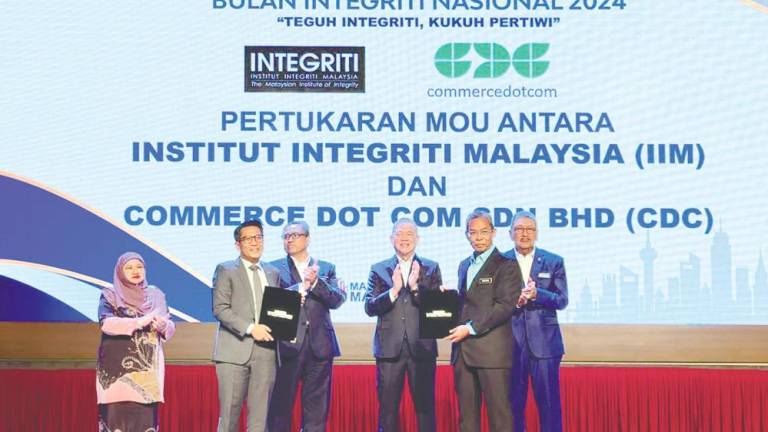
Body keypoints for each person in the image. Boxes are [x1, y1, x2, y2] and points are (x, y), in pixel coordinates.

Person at [364, 218, 443, 432]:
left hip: (422, 347)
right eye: (400, 233)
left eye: (409, 233)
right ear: (391, 239)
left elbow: (436, 310)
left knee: (426, 409)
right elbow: (369, 307)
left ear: (417, 239)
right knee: (388, 411)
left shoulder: (431, 267)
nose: (404, 238)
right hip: (389, 350)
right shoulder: (379, 269)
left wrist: (416, 287)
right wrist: (394, 290)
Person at [267, 221, 347, 432]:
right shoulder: (273, 268)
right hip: (286, 346)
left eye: (295, 235)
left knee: (317, 412)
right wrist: (301, 288)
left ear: (308, 238)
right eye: (286, 236)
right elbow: (272, 302)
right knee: (280, 410)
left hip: (320, 347)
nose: (290, 239)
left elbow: (337, 299)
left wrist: (316, 283)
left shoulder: (327, 268)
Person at [446, 210, 522, 432]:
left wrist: (470, 329)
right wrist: (447, 299)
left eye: (483, 232)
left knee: (499, 417)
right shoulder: (464, 265)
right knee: (467, 420)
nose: (478, 237)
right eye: (473, 232)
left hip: (492, 353)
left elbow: (505, 306)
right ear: (467, 235)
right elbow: (467, 303)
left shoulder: (506, 265)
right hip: (463, 353)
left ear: (493, 233)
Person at [212, 219, 282, 432]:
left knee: (260, 420)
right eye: (248, 238)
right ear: (238, 244)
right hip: (233, 352)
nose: (254, 242)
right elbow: (220, 309)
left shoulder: (273, 272)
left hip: (266, 353)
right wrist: (252, 328)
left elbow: (276, 311)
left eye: (258, 237)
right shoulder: (225, 269)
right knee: (229, 417)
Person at [96, 252, 175, 432]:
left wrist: (163, 325)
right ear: (120, 271)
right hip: (116, 371)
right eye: (129, 267)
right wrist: (140, 321)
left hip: (146, 372)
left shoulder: (156, 295)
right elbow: (107, 324)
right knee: (116, 424)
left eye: (139, 267)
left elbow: (169, 329)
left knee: (145, 425)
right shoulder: (110, 294)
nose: (135, 271)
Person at [505, 211, 568, 432]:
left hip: (546, 346)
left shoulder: (553, 261)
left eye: (530, 229)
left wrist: (537, 294)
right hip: (511, 345)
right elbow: (493, 303)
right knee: (513, 407)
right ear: (510, 233)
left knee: (549, 407)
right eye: (520, 229)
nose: (525, 233)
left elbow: (562, 300)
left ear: (537, 233)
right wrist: (515, 301)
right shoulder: (499, 262)